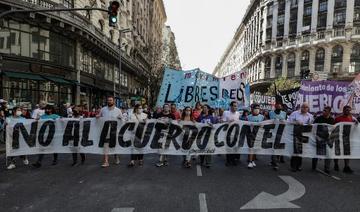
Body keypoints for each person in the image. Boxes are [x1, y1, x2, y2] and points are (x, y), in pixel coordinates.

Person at [97, 96, 123, 168]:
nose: (109, 101)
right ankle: (106, 161)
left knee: (114, 145)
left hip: (114, 131)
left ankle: (116, 157)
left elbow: (122, 120)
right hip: (105, 131)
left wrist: (120, 118)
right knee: (105, 146)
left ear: (113, 101)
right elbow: (99, 116)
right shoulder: (103, 109)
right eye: (108, 100)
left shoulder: (118, 110)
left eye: (111, 100)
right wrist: (97, 116)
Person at [288, 102, 314, 172]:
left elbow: (312, 125)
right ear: (301, 107)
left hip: (305, 134)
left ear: (308, 108)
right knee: (295, 150)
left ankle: (299, 165)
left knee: (301, 150)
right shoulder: (295, 113)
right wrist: (296, 122)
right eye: (303, 107)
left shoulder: (310, 116)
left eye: (306, 107)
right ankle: (293, 166)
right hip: (295, 133)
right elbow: (288, 122)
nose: (305, 108)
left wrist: (310, 124)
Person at [312, 106, 335, 174]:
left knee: (328, 154)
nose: (324, 112)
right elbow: (313, 127)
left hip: (328, 138)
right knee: (316, 153)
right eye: (323, 110)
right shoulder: (318, 118)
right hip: (319, 138)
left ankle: (327, 168)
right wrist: (316, 136)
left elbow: (333, 129)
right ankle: (314, 166)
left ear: (329, 112)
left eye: (325, 111)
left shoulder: (332, 120)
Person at [334, 105, 355, 174]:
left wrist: (356, 124)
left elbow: (354, 127)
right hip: (338, 137)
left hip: (347, 138)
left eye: (349, 110)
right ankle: (336, 164)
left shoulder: (351, 118)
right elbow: (333, 127)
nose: (348, 111)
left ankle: (346, 166)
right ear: (343, 110)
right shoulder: (338, 118)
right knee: (337, 152)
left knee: (347, 153)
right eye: (346, 110)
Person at [269, 103, 287, 170]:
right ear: (275, 107)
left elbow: (286, 122)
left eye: (280, 107)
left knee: (278, 148)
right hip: (273, 132)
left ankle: (275, 162)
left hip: (281, 132)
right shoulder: (270, 113)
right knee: (273, 148)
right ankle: (274, 162)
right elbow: (267, 121)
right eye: (277, 107)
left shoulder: (284, 113)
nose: (279, 109)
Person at [222, 101, 240, 166]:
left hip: (235, 132)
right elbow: (222, 122)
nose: (236, 107)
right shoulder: (226, 113)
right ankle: (228, 161)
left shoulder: (238, 113)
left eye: (236, 106)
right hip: (228, 132)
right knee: (228, 147)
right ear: (231, 106)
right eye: (234, 106)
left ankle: (233, 160)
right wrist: (228, 122)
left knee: (234, 147)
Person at [247, 104, 264, 169]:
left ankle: (253, 160)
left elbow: (266, 124)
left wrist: (263, 125)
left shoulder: (262, 117)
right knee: (251, 148)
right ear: (252, 109)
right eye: (255, 108)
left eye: (258, 109)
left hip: (258, 135)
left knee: (255, 149)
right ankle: (250, 162)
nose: (257, 110)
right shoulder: (248, 117)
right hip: (251, 134)